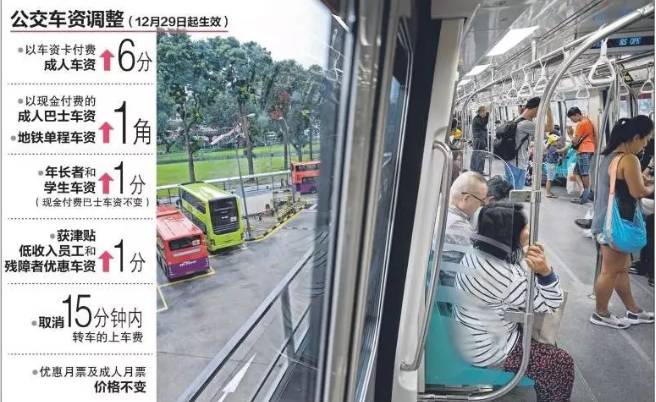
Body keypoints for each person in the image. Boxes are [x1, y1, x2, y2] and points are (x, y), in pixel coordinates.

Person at [453, 203, 573, 402]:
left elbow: (513, 266)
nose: (528, 229)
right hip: (489, 352)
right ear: (509, 235)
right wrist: (545, 272)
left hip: (471, 336)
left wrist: (525, 252)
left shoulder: (477, 251)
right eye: (523, 227)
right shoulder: (504, 277)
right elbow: (551, 303)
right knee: (560, 363)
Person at [590, 116, 655, 329]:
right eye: (646, 140)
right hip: (616, 224)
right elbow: (637, 191)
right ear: (636, 137)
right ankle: (601, 313)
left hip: (605, 220)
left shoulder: (608, 156)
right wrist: (652, 187)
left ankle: (633, 310)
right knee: (610, 271)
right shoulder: (629, 159)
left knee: (622, 268)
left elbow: (620, 184)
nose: (645, 145)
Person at [505, 97, 553, 189]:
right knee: (516, 192)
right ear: (537, 108)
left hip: (511, 161)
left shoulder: (518, 119)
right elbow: (550, 128)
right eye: (541, 110)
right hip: (518, 164)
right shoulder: (526, 124)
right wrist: (549, 109)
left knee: (510, 190)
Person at [444, 171, 489, 248]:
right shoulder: (457, 226)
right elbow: (473, 253)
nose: (481, 206)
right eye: (481, 201)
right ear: (466, 198)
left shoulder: (441, 211)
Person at [567, 107, 596, 204]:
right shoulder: (588, 121)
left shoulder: (581, 124)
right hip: (589, 149)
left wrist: (570, 134)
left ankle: (585, 195)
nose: (572, 121)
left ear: (577, 115)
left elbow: (575, 142)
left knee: (584, 173)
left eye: (572, 118)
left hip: (584, 150)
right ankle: (583, 191)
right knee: (576, 172)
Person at [471, 106, 489, 173]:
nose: (485, 113)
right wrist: (488, 115)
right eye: (484, 112)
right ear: (480, 112)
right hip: (478, 140)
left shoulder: (478, 119)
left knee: (479, 155)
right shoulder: (477, 119)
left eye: (485, 112)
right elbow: (483, 123)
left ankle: (478, 170)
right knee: (479, 156)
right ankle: (478, 171)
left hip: (480, 140)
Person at [544, 134, 560, 198]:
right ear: (552, 142)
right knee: (549, 179)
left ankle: (549, 192)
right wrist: (567, 147)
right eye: (557, 141)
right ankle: (548, 193)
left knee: (550, 179)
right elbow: (560, 151)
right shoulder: (552, 148)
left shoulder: (552, 147)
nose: (558, 142)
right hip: (551, 165)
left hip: (551, 165)